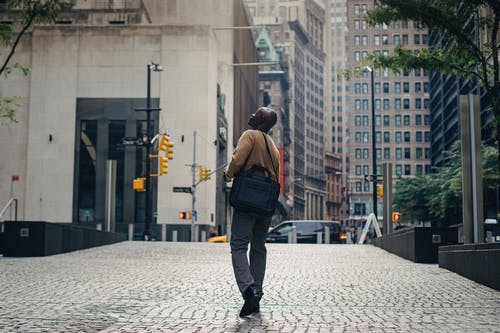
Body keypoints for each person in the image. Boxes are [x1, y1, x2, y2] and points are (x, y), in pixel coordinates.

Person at [224, 107, 280, 317]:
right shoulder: (273, 147)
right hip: (265, 204)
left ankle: (248, 290)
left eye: (256, 114)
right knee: (258, 247)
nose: (251, 115)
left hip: (248, 199)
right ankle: (257, 291)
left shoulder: (249, 135)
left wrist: (228, 174)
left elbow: (238, 160)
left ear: (261, 121)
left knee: (238, 245)